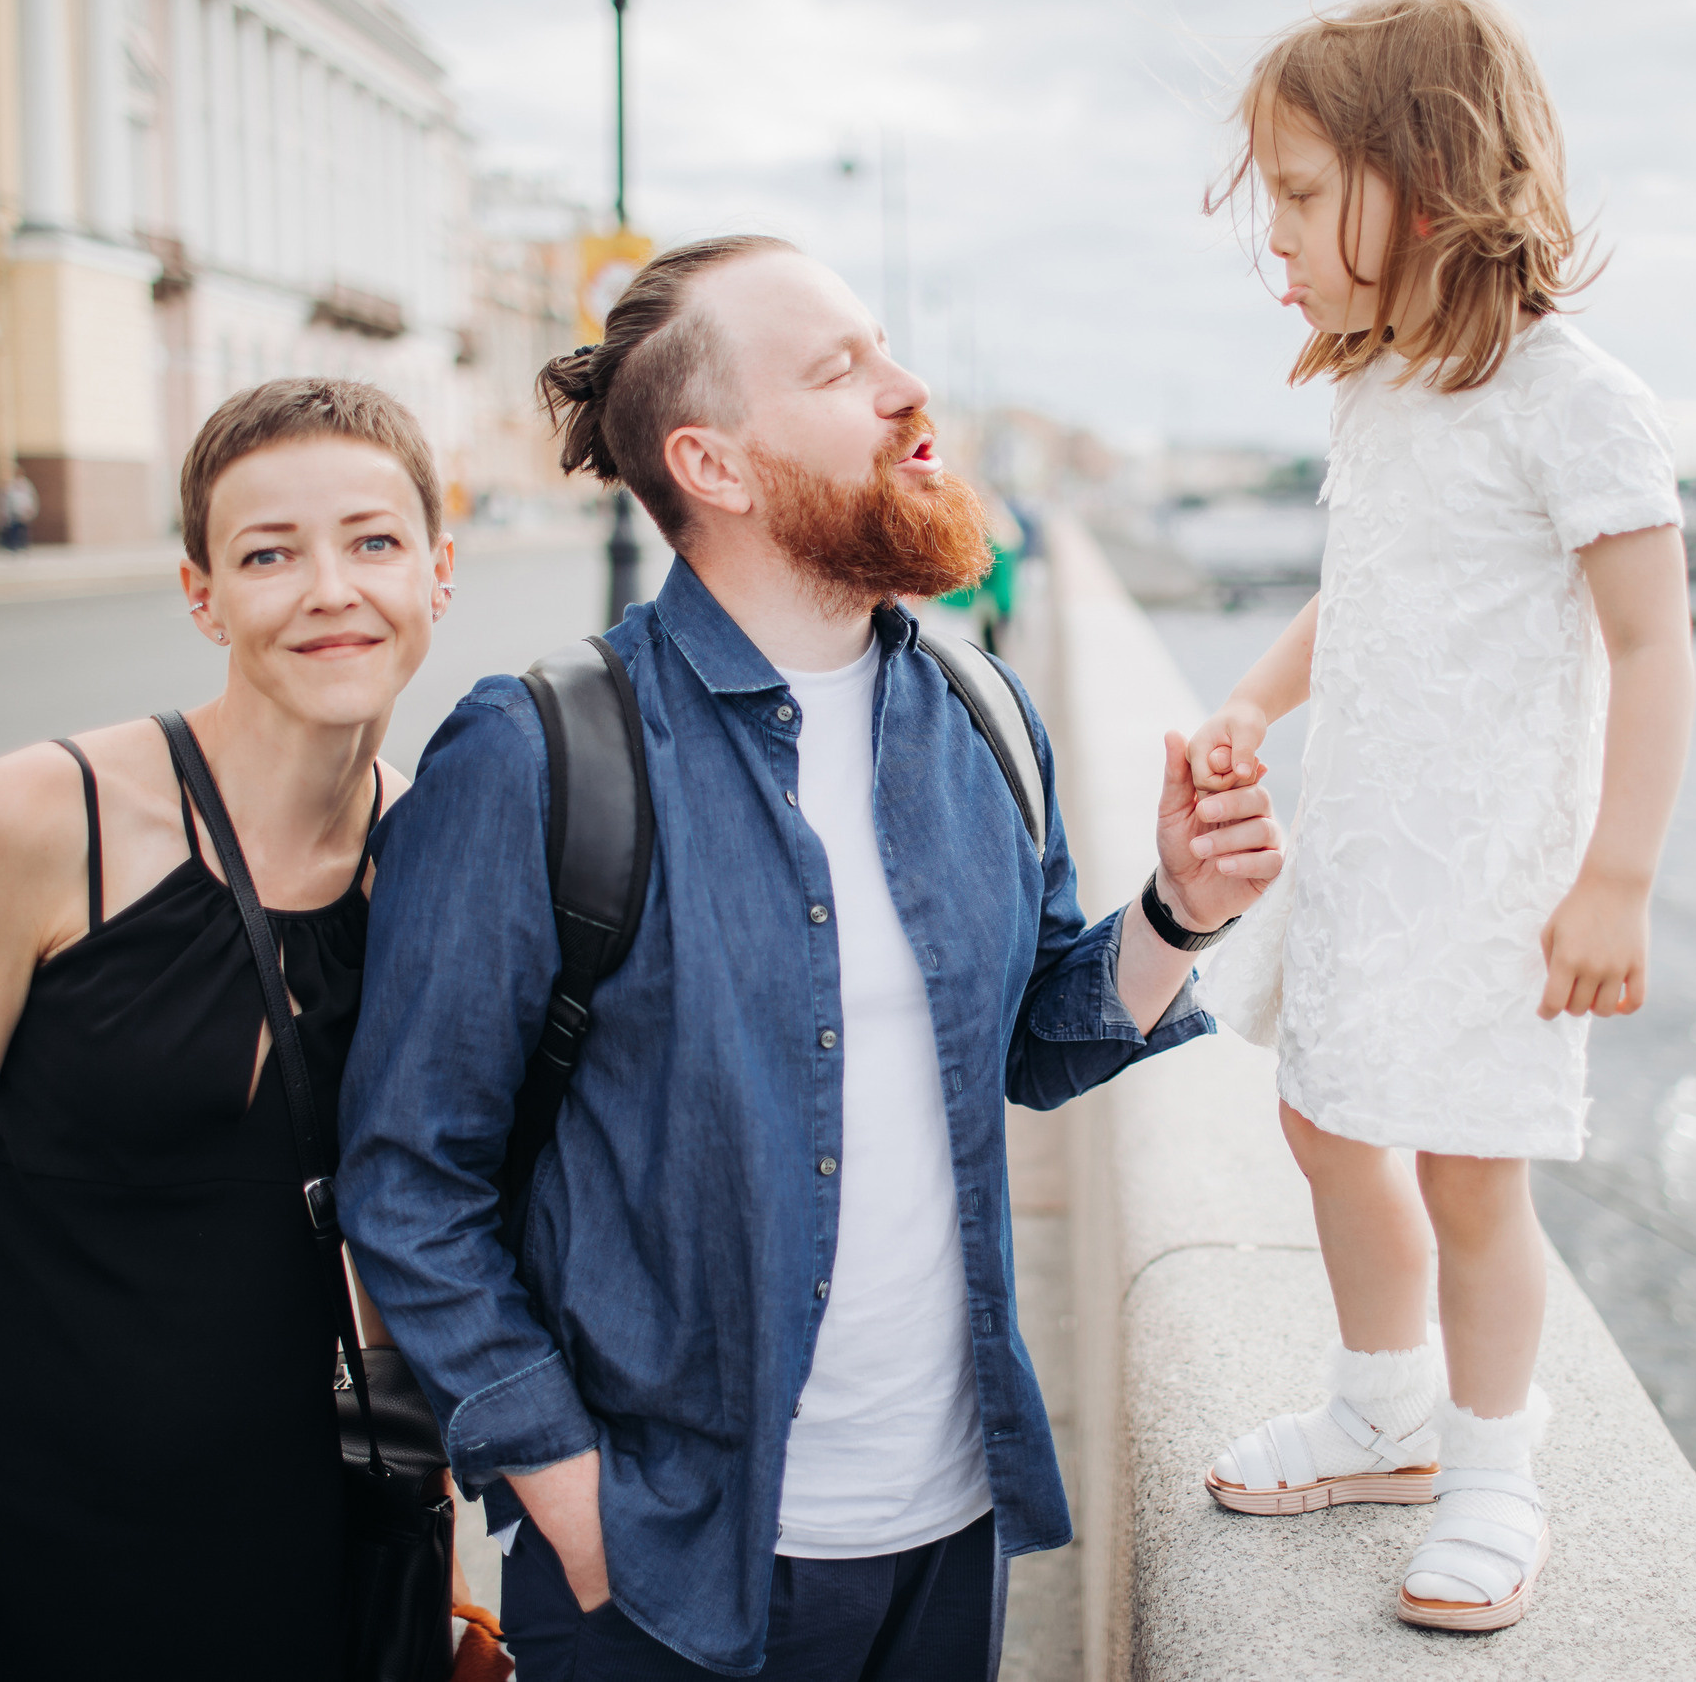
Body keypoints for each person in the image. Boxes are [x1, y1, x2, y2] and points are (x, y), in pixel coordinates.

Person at [337, 234, 1286, 1681]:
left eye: (884, 349)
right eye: (842, 371)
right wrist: (572, 1494)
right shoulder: (539, 753)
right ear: (713, 466)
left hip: (947, 1536)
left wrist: (1178, 909)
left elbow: (1029, 1044)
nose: (909, 390)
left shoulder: (982, 714)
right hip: (664, 1566)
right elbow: (407, 1175)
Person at [0, 380, 457, 1681]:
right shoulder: (40, 819)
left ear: (438, 572)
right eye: (266, 554)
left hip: (263, 1527)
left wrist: (424, 1549)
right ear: (203, 597)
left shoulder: (431, 860)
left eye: (371, 540)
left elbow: (388, 1242)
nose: (328, 589)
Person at [1187, 0, 1696, 1632]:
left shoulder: (1572, 397)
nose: (1276, 229)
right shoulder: (1380, 388)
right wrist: (1258, 700)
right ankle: (1382, 1408)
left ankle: (1491, 1469)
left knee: (1475, 1166)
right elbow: (1373, 592)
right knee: (1326, 1119)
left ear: (1434, 173)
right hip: (1367, 846)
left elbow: (1651, 645)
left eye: (1303, 189)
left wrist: (1618, 875)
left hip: (1492, 869)